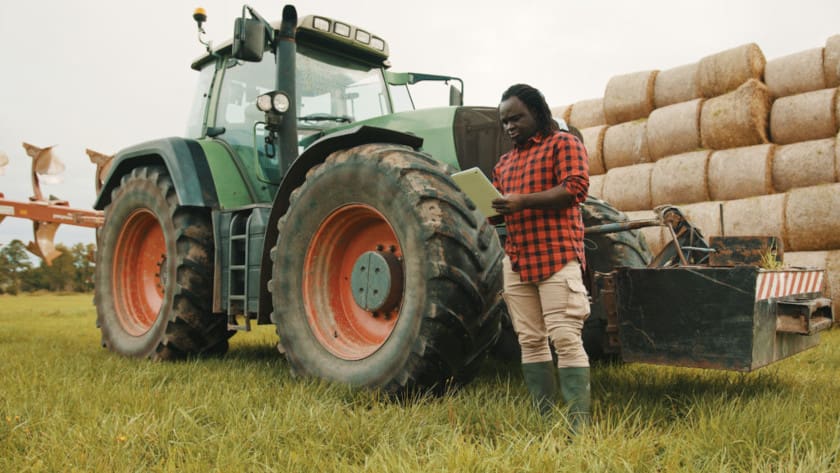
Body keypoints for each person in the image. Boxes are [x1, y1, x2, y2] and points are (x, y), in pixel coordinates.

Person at [491, 83, 591, 432]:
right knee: (530, 341)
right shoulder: (504, 163)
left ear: (538, 112)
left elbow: (575, 188)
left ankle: (578, 428)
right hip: (516, 261)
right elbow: (502, 212)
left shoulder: (563, 144)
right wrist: (493, 208)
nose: (509, 126)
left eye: (516, 118)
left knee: (564, 337)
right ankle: (546, 420)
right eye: (504, 121)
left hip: (556, 256)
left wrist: (524, 200)